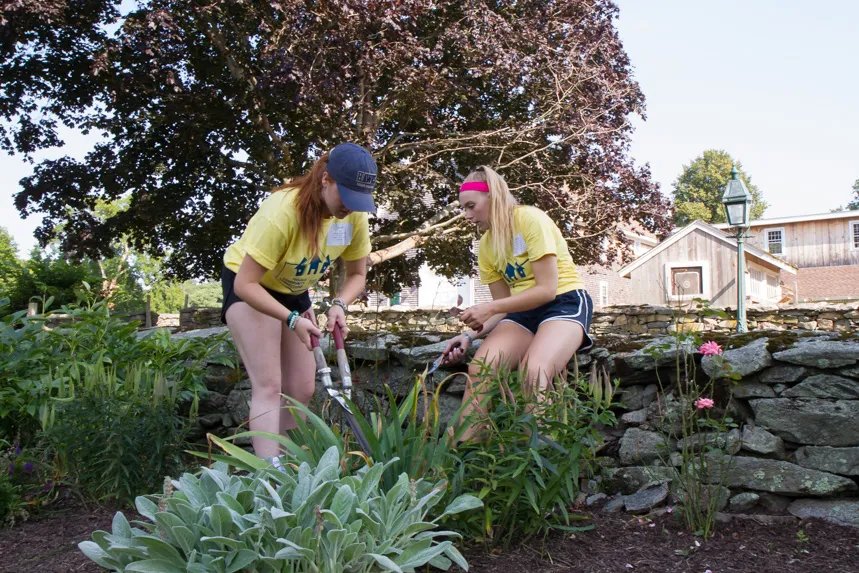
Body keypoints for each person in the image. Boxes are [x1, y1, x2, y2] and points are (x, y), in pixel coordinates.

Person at [221, 142, 377, 462]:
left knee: (303, 387)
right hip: (251, 285)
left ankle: (294, 466)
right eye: (345, 195)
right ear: (326, 179)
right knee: (269, 384)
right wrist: (292, 320)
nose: (351, 207)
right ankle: (271, 477)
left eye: (358, 200)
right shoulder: (282, 212)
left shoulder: (351, 218)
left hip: (293, 290)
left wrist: (339, 304)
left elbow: (357, 274)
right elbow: (246, 283)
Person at [442, 166, 594, 440]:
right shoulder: (487, 247)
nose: (466, 215)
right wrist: (467, 335)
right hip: (523, 312)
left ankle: (542, 459)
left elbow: (546, 290)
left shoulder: (530, 220)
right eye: (464, 208)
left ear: (494, 197)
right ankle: (468, 460)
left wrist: (490, 307)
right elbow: (504, 305)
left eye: (471, 206)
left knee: (534, 371)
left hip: (564, 301)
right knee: (480, 369)